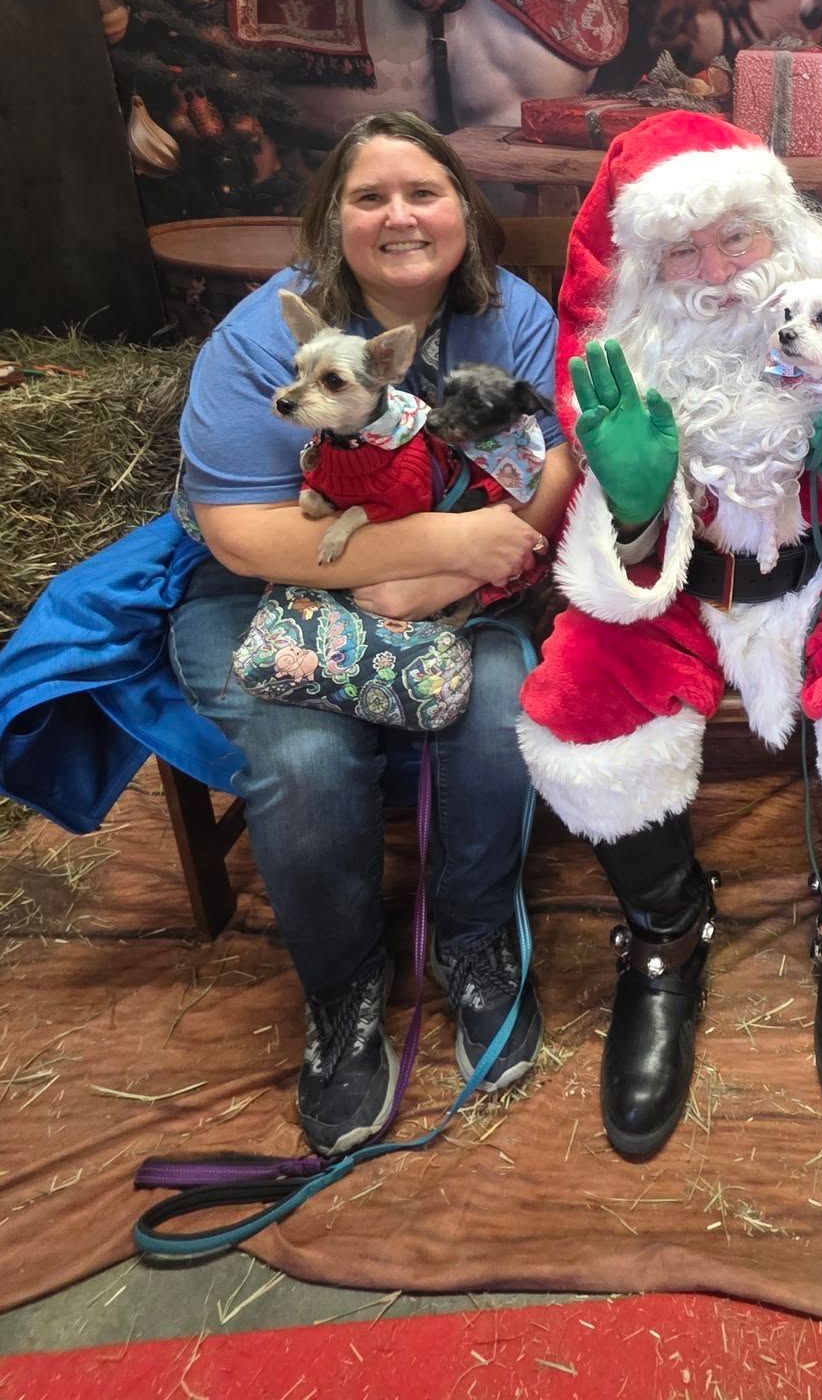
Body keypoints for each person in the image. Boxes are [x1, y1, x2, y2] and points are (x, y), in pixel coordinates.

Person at [517, 111, 822, 1159]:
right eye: (683, 249)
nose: (717, 269)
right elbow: (584, 492)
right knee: (581, 707)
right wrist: (636, 500)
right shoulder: (617, 339)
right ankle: (664, 932)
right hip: (683, 586)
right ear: (649, 264)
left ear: (776, 222)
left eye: (734, 235)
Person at [170, 112, 577, 1156]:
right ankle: (344, 988)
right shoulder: (267, 333)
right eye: (368, 195)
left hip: (456, 582)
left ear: (463, 214)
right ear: (333, 221)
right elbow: (243, 530)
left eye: (424, 191)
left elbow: (544, 471)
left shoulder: (512, 317)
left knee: (495, 714)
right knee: (304, 753)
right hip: (271, 580)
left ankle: (474, 940)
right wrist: (420, 556)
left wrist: (455, 566)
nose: (399, 214)